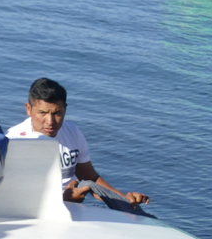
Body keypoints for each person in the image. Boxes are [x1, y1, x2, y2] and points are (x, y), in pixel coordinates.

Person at [8, 77, 150, 205]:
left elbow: (91, 178)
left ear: (65, 109)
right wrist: (61, 199)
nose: (50, 122)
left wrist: (124, 199)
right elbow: (9, 195)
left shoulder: (73, 133)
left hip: (71, 210)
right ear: (29, 109)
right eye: (42, 113)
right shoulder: (13, 141)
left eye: (57, 113)